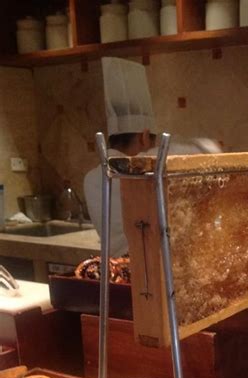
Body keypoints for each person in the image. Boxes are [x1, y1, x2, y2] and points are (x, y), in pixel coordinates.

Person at [84, 57, 221, 257]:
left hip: (118, 275)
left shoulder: (92, 179)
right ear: (145, 136)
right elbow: (208, 151)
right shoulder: (148, 170)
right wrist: (211, 144)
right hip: (156, 275)